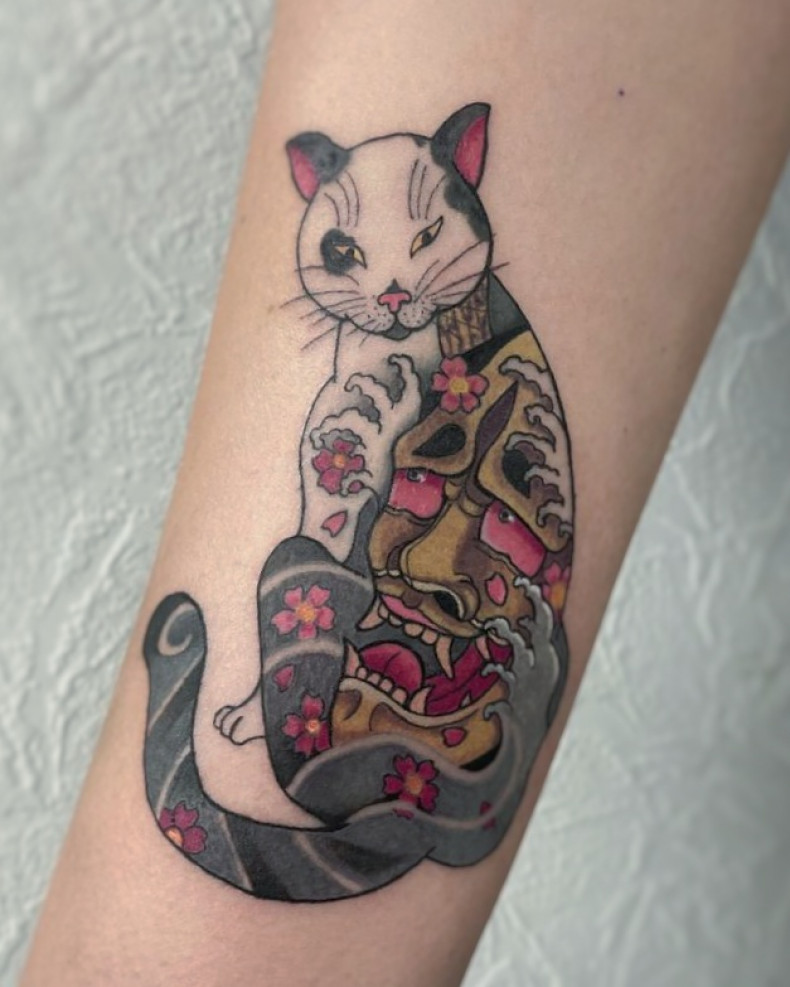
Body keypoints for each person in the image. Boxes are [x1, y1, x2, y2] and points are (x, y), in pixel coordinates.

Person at [22, 1, 790, 984]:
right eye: (350, 258)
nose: (389, 290)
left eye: (425, 241)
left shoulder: (467, 345)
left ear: (469, 178)